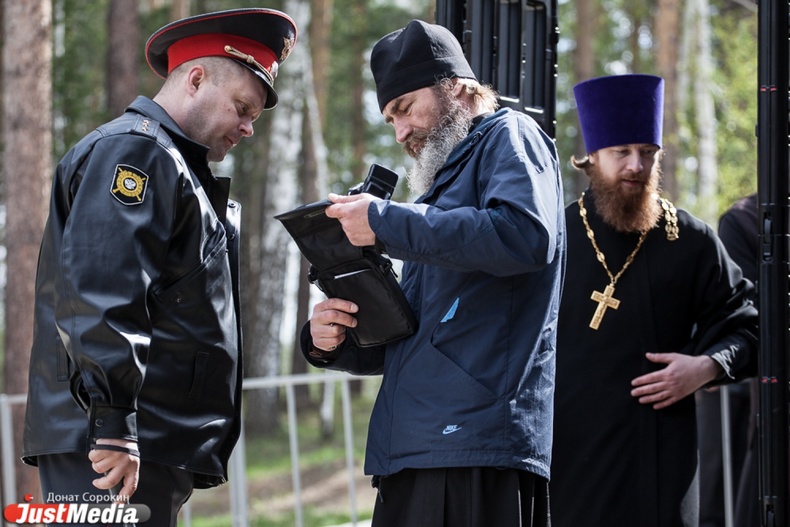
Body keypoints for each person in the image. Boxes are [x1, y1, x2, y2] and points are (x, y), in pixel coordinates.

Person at [22, 8, 296, 526]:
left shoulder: (168, 160)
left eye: (254, 118)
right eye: (242, 107)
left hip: (138, 436)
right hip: (111, 441)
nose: (247, 128)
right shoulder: (139, 151)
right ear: (196, 79)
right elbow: (104, 287)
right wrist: (112, 420)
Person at [299, 19, 565, 527]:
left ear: (456, 87)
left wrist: (383, 221)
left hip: (475, 447)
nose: (401, 133)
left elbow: (525, 235)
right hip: (412, 449)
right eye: (390, 120)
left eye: (404, 107)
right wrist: (333, 339)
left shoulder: (510, 134)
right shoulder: (439, 196)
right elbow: (422, 338)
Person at [550, 74, 758, 527]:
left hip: (662, 466)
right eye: (621, 152)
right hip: (569, 468)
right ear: (592, 156)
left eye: (648, 153)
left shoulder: (692, 241)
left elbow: (750, 325)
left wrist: (706, 367)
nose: (636, 166)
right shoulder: (554, 238)